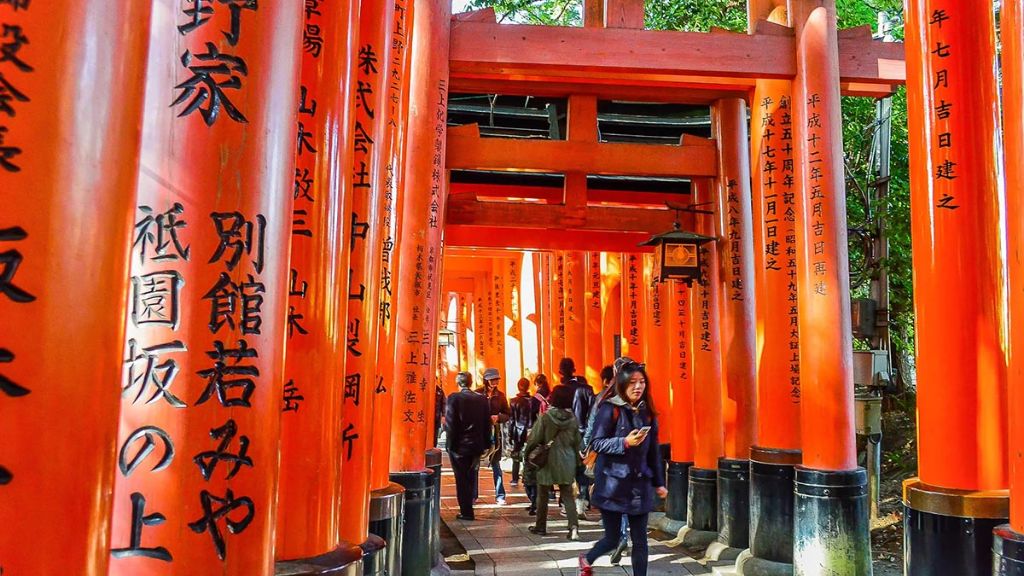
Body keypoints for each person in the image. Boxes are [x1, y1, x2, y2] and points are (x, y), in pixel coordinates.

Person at [579, 361, 666, 576]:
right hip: (612, 483)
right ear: (623, 384)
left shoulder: (647, 412)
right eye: (633, 383)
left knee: (640, 540)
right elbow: (596, 443)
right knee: (612, 538)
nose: (638, 387)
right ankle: (587, 559)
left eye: (642, 382)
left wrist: (659, 482)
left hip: (639, 483)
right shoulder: (610, 409)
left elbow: (653, 450)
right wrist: (624, 442)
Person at [582, 360, 632, 564]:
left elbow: (592, 426)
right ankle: (622, 535)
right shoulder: (633, 396)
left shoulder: (603, 397)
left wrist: (585, 448)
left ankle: (620, 536)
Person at [524, 385, 582, 540]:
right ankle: (573, 527)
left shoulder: (545, 417)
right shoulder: (573, 419)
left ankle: (540, 526)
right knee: (567, 494)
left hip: (547, 460)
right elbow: (578, 443)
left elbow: (534, 439)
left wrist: (527, 454)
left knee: (542, 494)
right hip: (567, 460)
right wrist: (578, 462)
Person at [445, 371, 492, 521]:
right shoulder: (482, 399)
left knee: (461, 478)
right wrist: (486, 443)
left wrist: (449, 445)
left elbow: (451, 424)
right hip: (476, 445)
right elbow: (487, 423)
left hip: (459, 446)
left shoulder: (454, 398)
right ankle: (469, 505)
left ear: (458, 383)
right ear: (470, 383)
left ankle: (466, 511)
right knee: (471, 475)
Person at [557, 357, 596, 513]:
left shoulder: (560, 390)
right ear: (574, 370)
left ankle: (568, 503)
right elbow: (594, 414)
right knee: (582, 468)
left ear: (560, 372)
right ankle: (583, 501)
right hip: (583, 433)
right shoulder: (587, 389)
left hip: (565, 434)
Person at [479, 367, 511, 505]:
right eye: (492, 379)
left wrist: (498, 417)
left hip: (495, 434)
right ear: (486, 380)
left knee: (496, 464)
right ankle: (473, 495)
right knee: (475, 465)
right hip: (480, 433)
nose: (495, 382)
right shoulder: (478, 394)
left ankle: (500, 494)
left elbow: (508, 414)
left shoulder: (501, 396)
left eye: (496, 379)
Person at [509, 377, 540, 488]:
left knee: (516, 454)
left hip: (518, 431)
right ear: (528, 387)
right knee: (531, 455)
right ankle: (530, 477)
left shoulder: (513, 401)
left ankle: (514, 478)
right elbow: (537, 417)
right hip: (531, 430)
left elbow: (512, 420)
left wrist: (510, 435)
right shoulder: (534, 400)